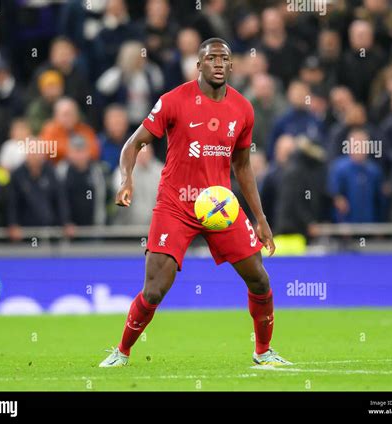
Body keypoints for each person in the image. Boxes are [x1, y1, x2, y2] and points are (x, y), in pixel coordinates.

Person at [99, 38, 292, 368]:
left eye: (224, 58)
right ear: (198, 65)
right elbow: (133, 144)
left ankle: (263, 352)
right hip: (176, 204)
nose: (218, 63)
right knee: (155, 289)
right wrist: (126, 179)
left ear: (231, 66)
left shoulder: (243, 109)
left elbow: (242, 165)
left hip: (220, 205)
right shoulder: (174, 101)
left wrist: (259, 217)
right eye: (211, 58)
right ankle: (122, 351)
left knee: (259, 278)